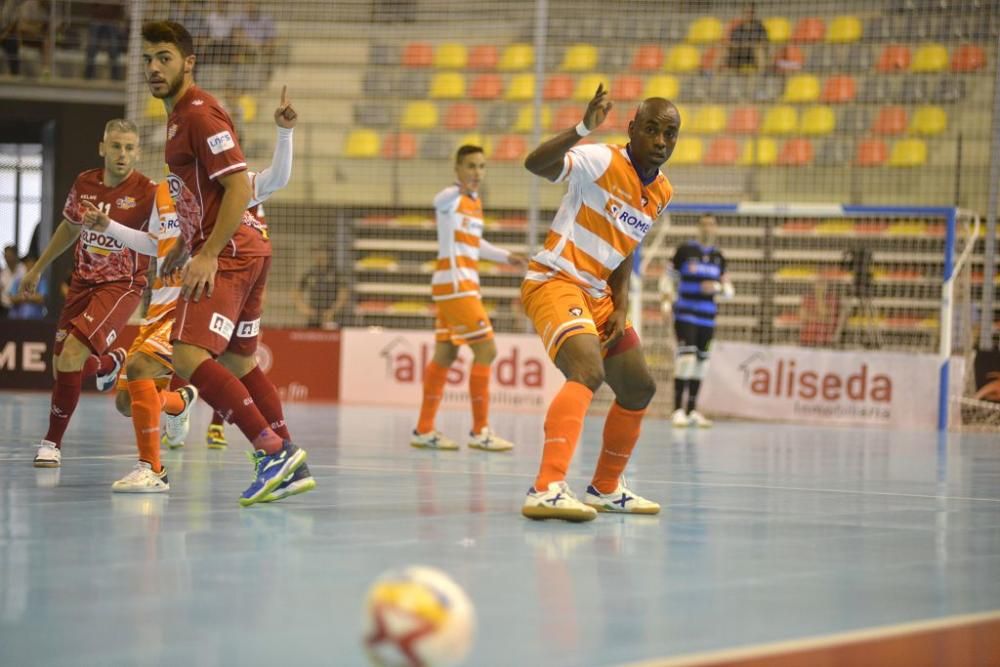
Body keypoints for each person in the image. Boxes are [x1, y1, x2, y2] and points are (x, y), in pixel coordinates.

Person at [86, 88, 300, 494]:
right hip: (163, 303)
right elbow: (157, 242)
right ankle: (187, 407)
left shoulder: (233, 186)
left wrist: (284, 133)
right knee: (129, 399)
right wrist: (109, 228)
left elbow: (277, 178)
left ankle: (155, 467)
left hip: (198, 295)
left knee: (142, 371)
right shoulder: (169, 192)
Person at [141, 20, 310, 506]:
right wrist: (185, 246)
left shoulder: (198, 113)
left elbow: (238, 187)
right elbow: (208, 195)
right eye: (149, 58)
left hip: (232, 250)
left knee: (188, 356)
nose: (154, 67)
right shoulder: (180, 118)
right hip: (244, 247)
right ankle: (288, 455)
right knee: (239, 362)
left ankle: (272, 452)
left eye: (165, 57)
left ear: (188, 62)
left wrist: (209, 252)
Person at [520, 85, 677, 521]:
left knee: (639, 387)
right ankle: (546, 488)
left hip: (599, 295)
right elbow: (535, 164)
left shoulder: (662, 191)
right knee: (587, 371)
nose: (660, 141)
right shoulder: (602, 159)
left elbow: (626, 247)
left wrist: (621, 304)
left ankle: (605, 488)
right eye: (651, 130)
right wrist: (583, 128)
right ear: (632, 130)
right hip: (556, 280)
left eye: (669, 134)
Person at [18, 119, 166, 468]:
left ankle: (51, 443)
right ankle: (110, 363)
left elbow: (160, 244)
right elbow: (70, 226)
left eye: (129, 148)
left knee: (70, 357)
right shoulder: (84, 183)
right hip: (82, 282)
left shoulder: (149, 192)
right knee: (61, 368)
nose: (122, 154)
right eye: (116, 146)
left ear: (137, 152)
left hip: (121, 286)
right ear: (103, 148)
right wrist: (38, 268)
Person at [410, 145, 525, 452]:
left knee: (445, 356)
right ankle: (480, 431)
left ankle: (423, 429)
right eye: (471, 166)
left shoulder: (474, 203)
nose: (477, 172)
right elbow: (438, 202)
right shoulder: (452, 199)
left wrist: (506, 257)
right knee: (487, 350)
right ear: (458, 169)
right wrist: (457, 189)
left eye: (481, 167)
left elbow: (475, 243)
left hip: (456, 286)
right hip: (457, 286)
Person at [665, 214, 733, 428]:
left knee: (701, 362)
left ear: (716, 229)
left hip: (708, 317)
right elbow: (668, 279)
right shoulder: (685, 251)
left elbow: (729, 290)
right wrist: (666, 301)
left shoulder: (718, 257)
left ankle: (692, 410)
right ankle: (677, 410)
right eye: (704, 224)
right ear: (698, 228)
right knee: (686, 359)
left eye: (711, 224)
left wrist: (718, 288)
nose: (707, 228)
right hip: (686, 313)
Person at [294, 246, 349, 329]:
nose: (319, 255)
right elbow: (296, 293)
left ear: (328, 255)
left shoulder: (335, 273)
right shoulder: (309, 273)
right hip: (313, 318)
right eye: (316, 253)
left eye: (322, 252)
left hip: (333, 318)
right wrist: (304, 309)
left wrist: (333, 311)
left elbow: (344, 294)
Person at [84, 0, 126, 80]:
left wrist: (119, 19)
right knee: (92, 48)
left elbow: (120, 5)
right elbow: (91, 4)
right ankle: (88, 75)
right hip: (97, 19)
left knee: (113, 49)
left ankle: (115, 77)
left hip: (111, 20)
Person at [725, 3, 767, 72]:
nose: (748, 15)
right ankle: (715, 77)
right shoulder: (738, 28)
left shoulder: (760, 27)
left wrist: (749, 45)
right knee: (723, 49)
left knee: (759, 49)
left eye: (750, 12)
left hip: (753, 56)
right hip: (740, 54)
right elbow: (732, 43)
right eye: (746, 12)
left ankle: (761, 75)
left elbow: (763, 43)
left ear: (754, 14)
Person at [7, 253, 46, 318]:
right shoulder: (17, 280)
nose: (30, 264)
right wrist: (30, 297)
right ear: (24, 264)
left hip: (36, 318)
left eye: (32, 262)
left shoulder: (41, 280)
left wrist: (23, 296)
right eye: (27, 262)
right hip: (17, 318)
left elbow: (41, 298)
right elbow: (12, 298)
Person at [1, 244, 22, 317]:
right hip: (3, 307)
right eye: (5, 256)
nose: (7, 258)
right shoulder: (3, 272)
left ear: (15, 256)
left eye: (9, 256)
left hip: (20, 306)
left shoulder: (24, 270)